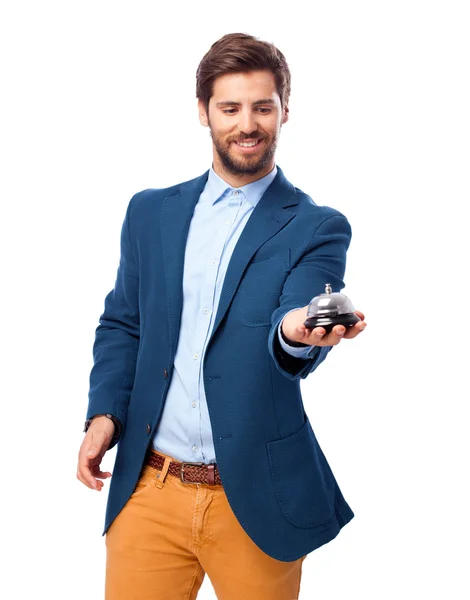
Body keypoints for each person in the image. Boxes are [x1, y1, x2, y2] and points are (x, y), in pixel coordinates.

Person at [77, 32, 367, 600]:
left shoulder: (317, 226)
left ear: (286, 109)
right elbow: (123, 324)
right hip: (149, 489)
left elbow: (296, 316)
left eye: (263, 106)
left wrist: (295, 332)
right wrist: (103, 415)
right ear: (203, 112)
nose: (248, 124)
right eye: (230, 108)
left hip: (255, 498)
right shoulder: (150, 212)